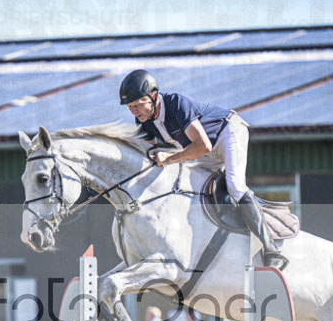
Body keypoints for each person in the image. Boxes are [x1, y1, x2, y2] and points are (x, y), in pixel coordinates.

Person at [118, 69, 287, 269]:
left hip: (227, 133)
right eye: (130, 107)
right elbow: (147, 157)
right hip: (205, 152)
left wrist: (169, 158)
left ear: (153, 96)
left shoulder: (176, 104)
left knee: (235, 186)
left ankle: (272, 250)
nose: (135, 111)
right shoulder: (144, 121)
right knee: (188, 188)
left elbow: (202, 146)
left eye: (138, 104)